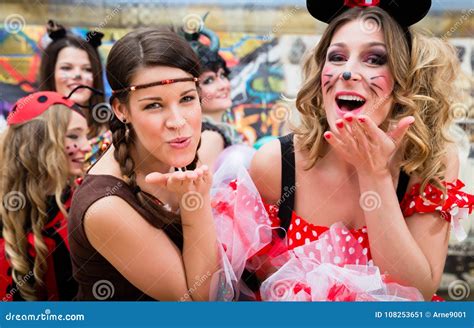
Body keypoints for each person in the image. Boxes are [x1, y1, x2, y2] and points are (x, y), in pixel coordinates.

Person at [213, 0, 474, 301]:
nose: (347, 73)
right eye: (337, 57)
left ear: (404, 79)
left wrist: (373, 174)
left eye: (374, 59)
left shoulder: (431, 162)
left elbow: (415, 293)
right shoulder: (278, 164)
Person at [68, 28, 219, 301]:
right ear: (121, 110)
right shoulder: (106, 208)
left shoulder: (165, 153)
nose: (177, 121)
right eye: (153, 106)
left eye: (186, 98)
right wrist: (196, 204)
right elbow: (199, 302)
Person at [0, 91, 91, 300]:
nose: (86, 147)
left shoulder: (84, 203)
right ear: (38, 143)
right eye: (74, 136)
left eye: (85, 135)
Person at [39, 20, 111, 166]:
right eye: (67, 68)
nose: (78, 75)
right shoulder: (32, 130)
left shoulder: (114, 131)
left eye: (87, 69)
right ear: (50, 74)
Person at [183, 25, 243, 168]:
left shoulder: (209, 133)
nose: (223, 85)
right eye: (209, 80)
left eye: (222, 75)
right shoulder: (210, 138)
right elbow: (201, 190)